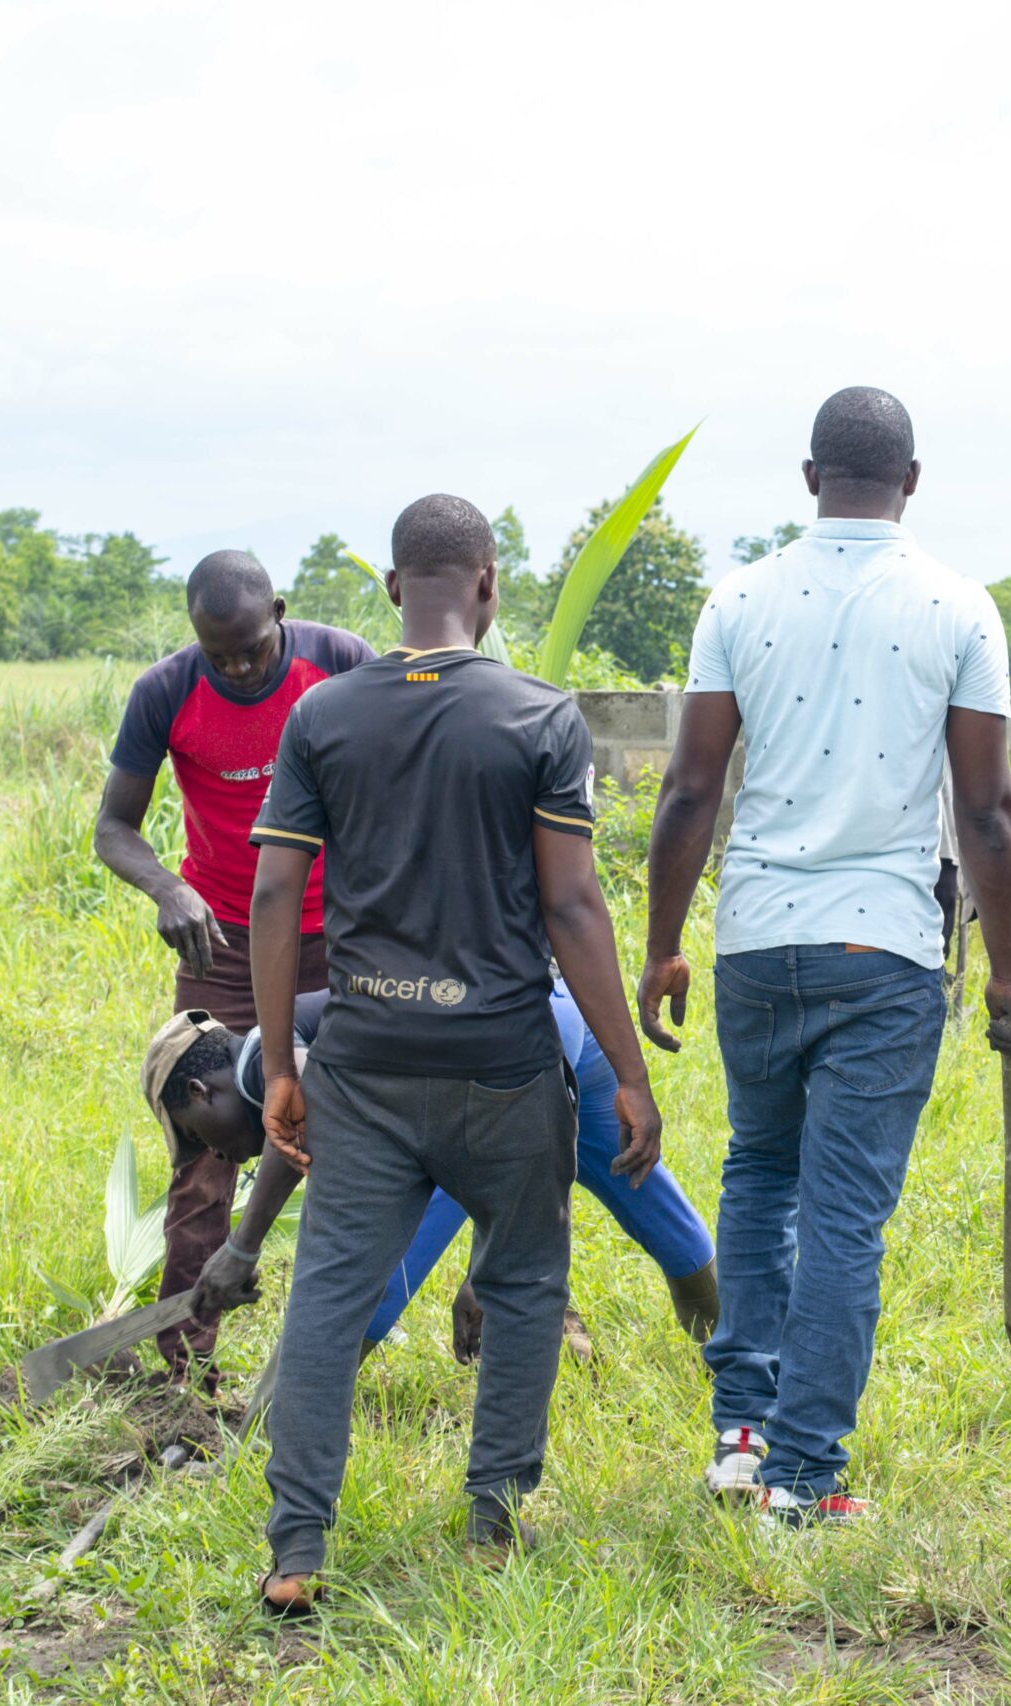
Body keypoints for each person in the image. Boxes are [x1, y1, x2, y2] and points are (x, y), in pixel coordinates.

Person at [243, 494, 661, 1617]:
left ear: (392, 589)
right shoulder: (538, 716)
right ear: (488, 582)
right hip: (503, 1062)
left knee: (326, 1298)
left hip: (365, 1061)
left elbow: (276, 891)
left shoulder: (323, 716)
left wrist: (282, 1062)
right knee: (524, 1283)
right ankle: (492, 1519)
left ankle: (296, 1548)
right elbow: (572, 906)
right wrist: (627, 1069)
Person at [637, 386, 1011, 1530]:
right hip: (887, 947)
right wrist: (1007, 973)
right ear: (910, 481)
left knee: (760, 1178)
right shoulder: (958, 607)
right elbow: (992, 807)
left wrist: (665, 945)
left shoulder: (740, 597)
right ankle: (804, 1476)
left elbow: (690, 788)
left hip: (760, 938)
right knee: (844, 1215)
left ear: (810, 479)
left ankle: (744, 1435)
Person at [94, 552, 373, 1381]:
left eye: (252, 649)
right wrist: (167, 887)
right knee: (206, 1145)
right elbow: (115, 825)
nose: (240, 668)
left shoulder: (341, 665)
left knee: (370, 1127)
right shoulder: (167, 692)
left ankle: (350, 1337)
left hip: (345, 937)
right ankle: (186, 1367)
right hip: (223, 943)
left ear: (279, 613)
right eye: (220, 655)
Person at [150, 987, 718, 1355]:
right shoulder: (293, 1024)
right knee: (647, 1196)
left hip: (506, 1048)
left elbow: (306, 1106)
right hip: (560, 1005)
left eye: (201, 1137)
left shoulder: (263, 1063)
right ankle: (733, 1365)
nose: (219, 1157)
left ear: (203, 1092)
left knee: (366, 1292)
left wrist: (244, 1247)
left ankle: (261, 1440)